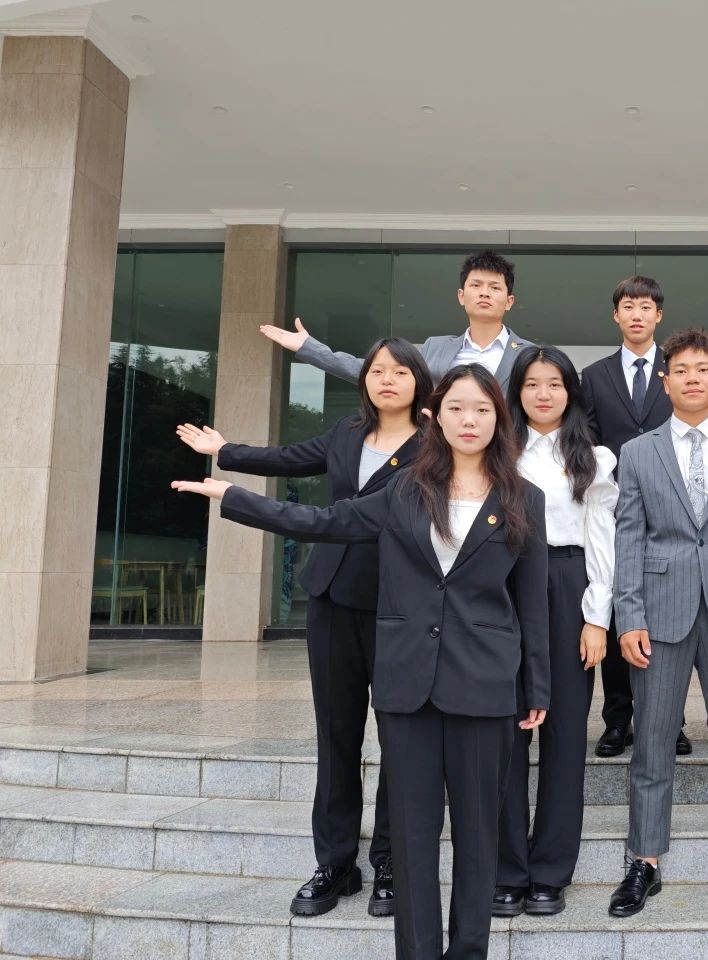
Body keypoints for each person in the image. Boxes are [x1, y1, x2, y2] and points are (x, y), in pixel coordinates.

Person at [172, 364, 550, 960]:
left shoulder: (525, 499)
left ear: (499, 419)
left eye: (482, 409)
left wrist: (537, 687)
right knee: (413, 835)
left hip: (484, 684)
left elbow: (532, 601)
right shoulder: (404, 491)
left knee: (479, 836)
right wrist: (233, 497)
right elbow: (325, 522)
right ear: (435, 417)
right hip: (406, 683)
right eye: (456, 408)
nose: (469, 420)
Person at [176, 336, 432, 919]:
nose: (386, 379)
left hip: (402, 605)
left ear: (419, 381)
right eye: (377, 371)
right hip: (334, 596)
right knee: (336, 734)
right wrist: (225, 451)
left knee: (400, 737)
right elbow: (289, 458)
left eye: (399, 372)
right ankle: (336, 862)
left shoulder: (434, 444)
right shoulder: (346, 433)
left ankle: (391, 861)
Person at [608, 329, 708, 920]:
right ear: (665, 381)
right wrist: (628, 616)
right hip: (659, 614)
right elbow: (628, 537)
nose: (693, 378)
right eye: (681, 370)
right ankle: (644, 861)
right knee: (652, 745)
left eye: (703, 369)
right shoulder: (637, 452)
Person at [493, 345, 619, 918]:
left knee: (565, 738)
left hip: (569, 585)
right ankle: (507, 870)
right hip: (503, 585)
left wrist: (596, 618)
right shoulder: (497, 451)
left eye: (554, 384)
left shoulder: (594, 458)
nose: (543, 394)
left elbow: (602, 538)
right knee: (505, 735)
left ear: (570, 393)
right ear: (516, 392)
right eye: (531, 384)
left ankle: (549, 872)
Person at [579, 276, 690, 758]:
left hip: (671, 506)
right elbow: (587, 438)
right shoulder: (594, 375)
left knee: (667, 615)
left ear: (659, 315)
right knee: (618, 611)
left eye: (646, 307)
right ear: (616, 315)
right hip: (616, 508)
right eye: (629, 306)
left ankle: (670, 720)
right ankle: (617, 720)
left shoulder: (678, 369)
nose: (637, 314)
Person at [260, 250, 531, 390]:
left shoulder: (529, 355)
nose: (484, 293)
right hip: (441, 461)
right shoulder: (436, 348)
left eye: (494, 287)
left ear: (509, 301)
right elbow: (373, 371)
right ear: (461, 296)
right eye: (476, 285)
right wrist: (310, 348)